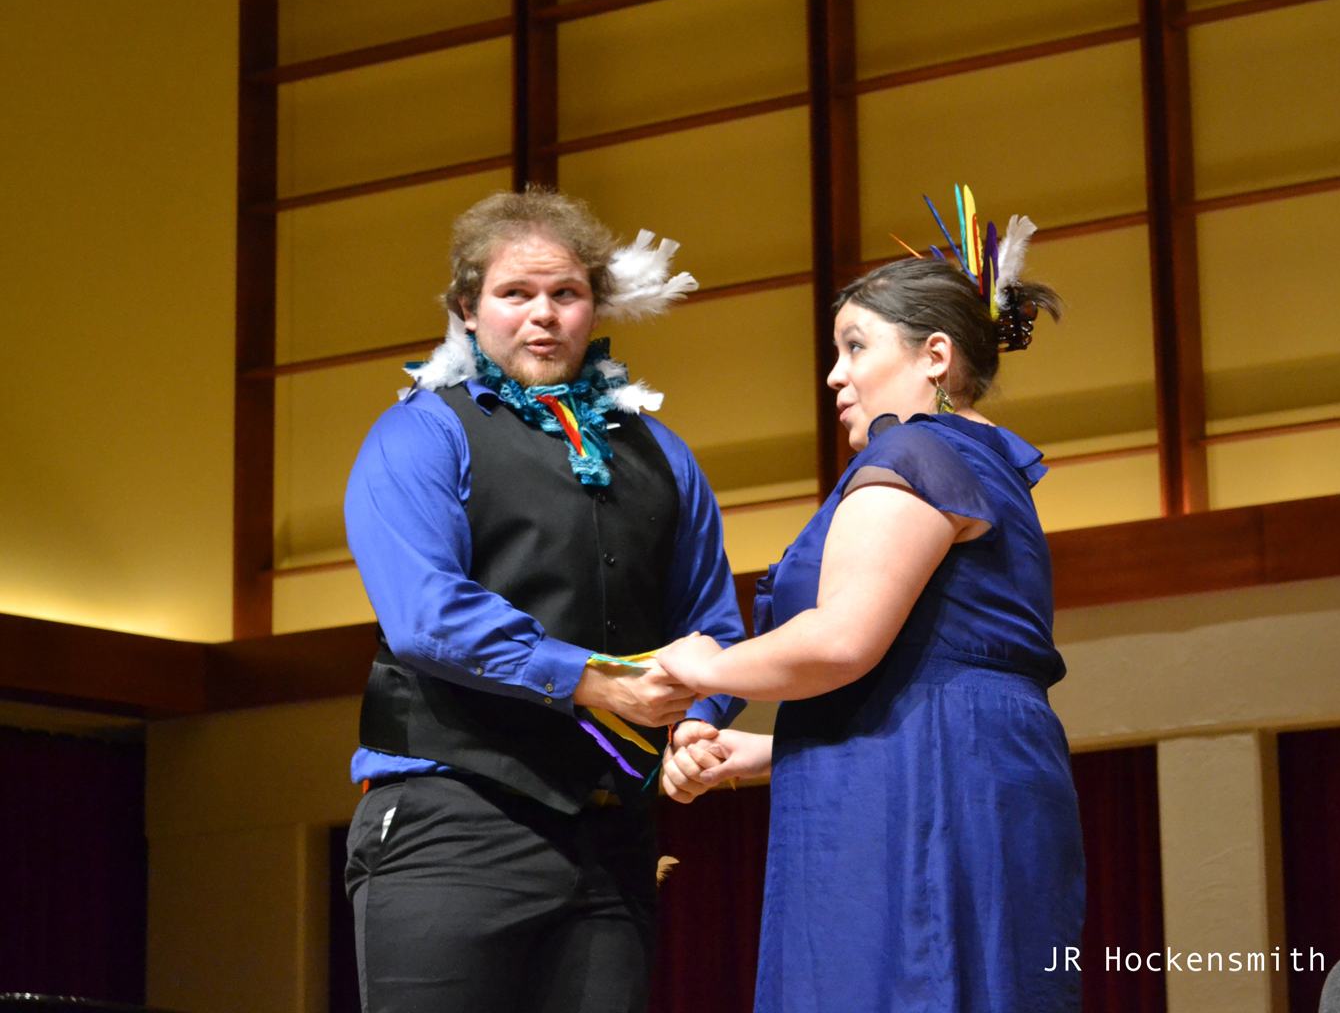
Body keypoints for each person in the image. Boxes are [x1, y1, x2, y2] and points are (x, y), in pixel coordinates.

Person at [659, 217, 1086, 1011]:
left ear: (934, 356)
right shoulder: (985, 461)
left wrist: (701, 666)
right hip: (968, 765)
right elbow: (930, 656)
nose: (833, 375)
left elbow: (841, 640)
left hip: (922, 788)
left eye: (855, 346)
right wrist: (760, 751)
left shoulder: (917, 452)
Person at [341, 188, 745, 1013]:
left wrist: (702, 715)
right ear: (467, 308)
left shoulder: (664, 453)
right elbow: (427, 614)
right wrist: (591, 680)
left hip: (611, 836)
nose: (544, 316)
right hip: (452, 818)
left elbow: (711, 626)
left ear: (595, 306)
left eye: (566, 294)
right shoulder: (421, 431)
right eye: (515, 294)